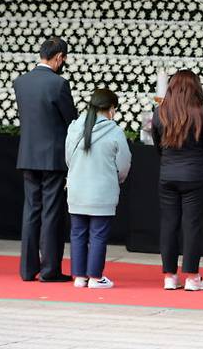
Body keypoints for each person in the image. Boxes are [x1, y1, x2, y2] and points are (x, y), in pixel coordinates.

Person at [14, 37, 78, 282]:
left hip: (28, 154)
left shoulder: (21, 82)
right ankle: (50, 270)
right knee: (51, 212)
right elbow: (70, 120)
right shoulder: (58, 84)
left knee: (31, 210)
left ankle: (27, 269)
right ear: (59, 57)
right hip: (52, 157)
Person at [152, 70, 203, 291]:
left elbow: (158, 144)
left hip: (168, 174)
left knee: (168, 225)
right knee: (192, 226)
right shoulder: (202, 113)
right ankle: (192, 277)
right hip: (194, 175)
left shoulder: (159, 112)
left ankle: (169, 275)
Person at [65, 89, 132, 289]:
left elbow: (68, 159)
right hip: (102, 192)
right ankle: (95, 277)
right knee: (98, 234)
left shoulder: (75, 127)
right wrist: (117, 179)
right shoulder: (115, 131)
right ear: (111, 109)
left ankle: (79, 277)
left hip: (76, 189)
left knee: (77, 232)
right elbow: (124, 163)